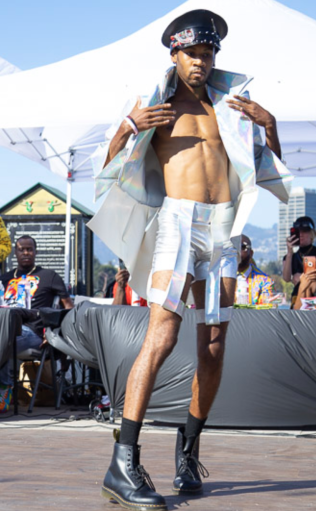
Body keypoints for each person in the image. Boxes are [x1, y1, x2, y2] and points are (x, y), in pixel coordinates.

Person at [90, 10, 292, 508]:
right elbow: (105, 171)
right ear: (174, 55)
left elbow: (268, 169)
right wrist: (126, 127)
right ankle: (123, 461)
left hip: (224, 228)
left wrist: (271, 126)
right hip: (177, 223)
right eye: (193, 54)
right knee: (162, 334)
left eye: (208, 54)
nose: (201, 63)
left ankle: (188, 449)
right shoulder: (154, 102)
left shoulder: (231, 105)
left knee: (216, 344)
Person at [0, 235, 74, 411]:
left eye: (29, 249)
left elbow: (68, 308)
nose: (25, 252)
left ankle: (3, 388)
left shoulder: (48, 276)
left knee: (3, 339)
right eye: (21, 249)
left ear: (36, 252)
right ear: (15, 252)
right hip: (4, 326)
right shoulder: (4, 279)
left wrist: (57, 333)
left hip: (34, 333)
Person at [282, 216, 316, 304]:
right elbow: (286, 278)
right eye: (298, 231)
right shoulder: (290, 257)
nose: (301, 234)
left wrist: (303, 278)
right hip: (297, 298)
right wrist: (289, 252)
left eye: (305, 231)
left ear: (312, 234)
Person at [235, 235, 276, 305]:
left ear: (251, 253)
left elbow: (270, 310)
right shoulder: (219, 277)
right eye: (234, 248)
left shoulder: (266, 281)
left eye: (242, 247)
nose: (237, 251)